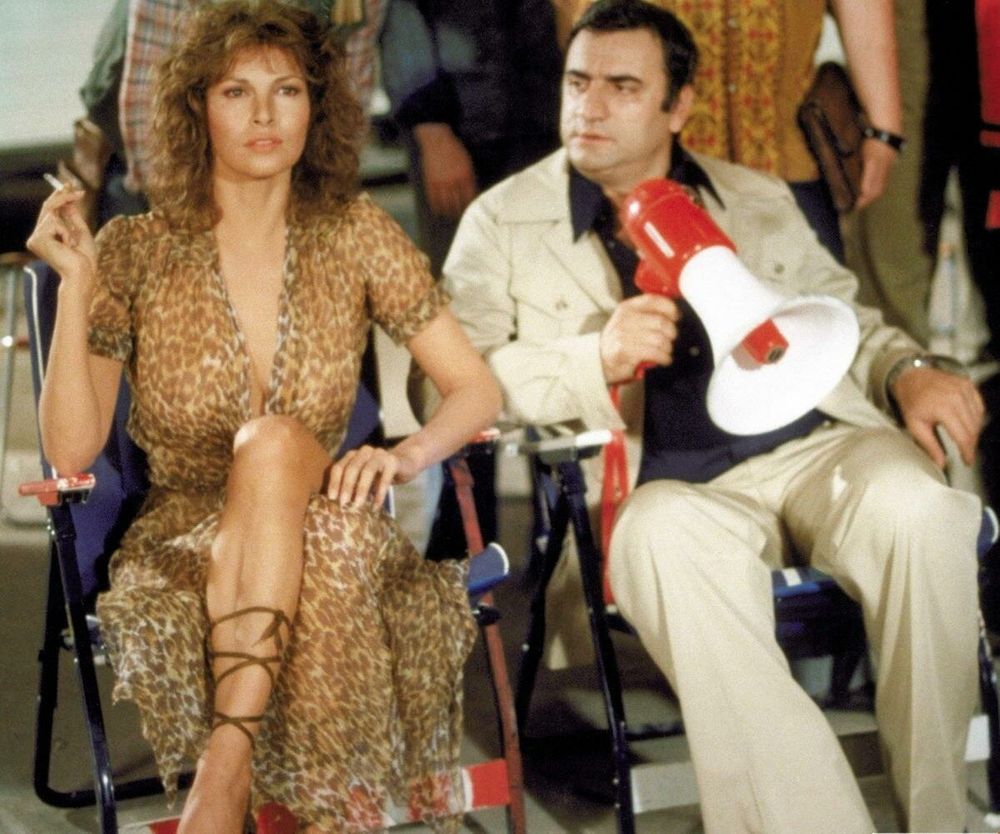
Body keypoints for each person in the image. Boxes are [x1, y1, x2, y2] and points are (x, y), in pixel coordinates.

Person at [432, 1, 985, 830]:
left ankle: (940, 821)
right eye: (578, 83)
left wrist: (907, 372)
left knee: (926, 514)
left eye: (623, 87)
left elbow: (849, 320)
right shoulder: (502, 222)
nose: (589, 107)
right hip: (668, 493)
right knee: (661, 542)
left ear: (677, 106)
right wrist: (591, 359)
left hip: (817, 452)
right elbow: (449, 387)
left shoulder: (755, 196)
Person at [27, 2, 500, 832]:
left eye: (286, 90)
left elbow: (475, 389)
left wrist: (406, 455)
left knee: (286, 456)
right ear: (197, 109)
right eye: (235, 92)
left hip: (326, 508)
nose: (263, 115)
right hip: (187, 539)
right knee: (325, 537)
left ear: (315, 107)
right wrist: (76, 286)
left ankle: (225, 767)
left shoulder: (355, 233)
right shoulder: (136, 248)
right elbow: (71, 448)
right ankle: (311, 807)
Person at [553, 0, 904, 263]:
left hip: (785, 168)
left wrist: (884, 126)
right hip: (659, 181)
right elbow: (582, 30)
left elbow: (866, 19)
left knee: (817, 317)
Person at [80, 0, 388, 224]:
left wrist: (324, 194)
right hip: (150, 159)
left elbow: (350, 86)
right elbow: (145, 98)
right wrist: (176, 211)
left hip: (278, 173)